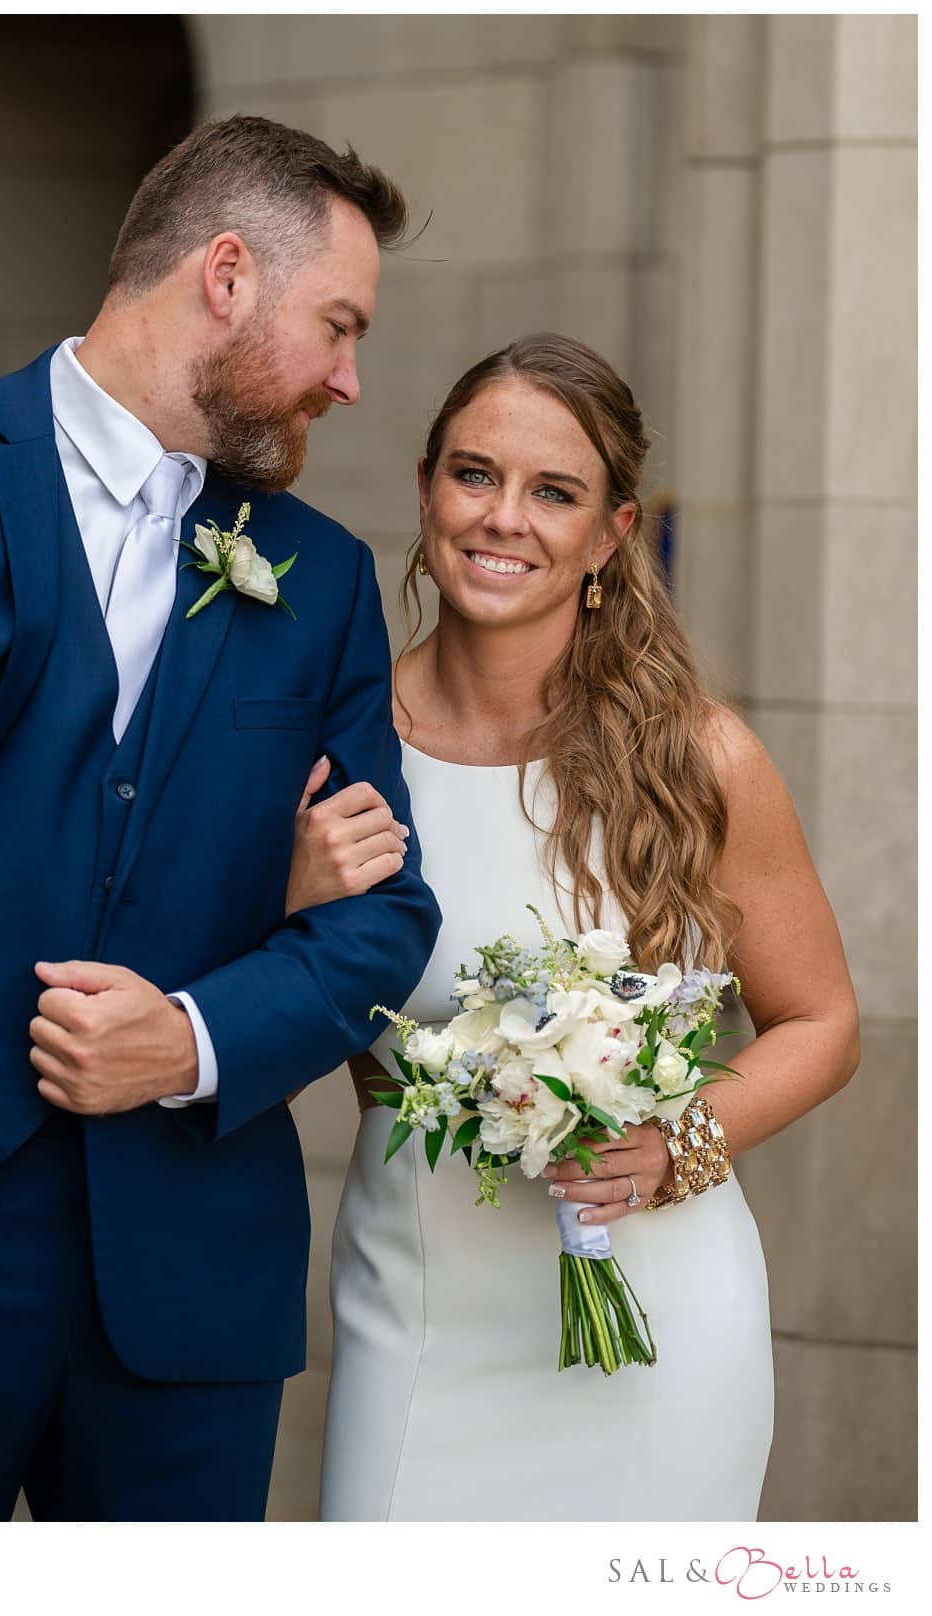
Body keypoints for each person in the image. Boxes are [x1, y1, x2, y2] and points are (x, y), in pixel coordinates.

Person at [0, 115, 442, 1521]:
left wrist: (192, 1041)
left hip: (197, 1269)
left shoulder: (319, 576)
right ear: (225, 277)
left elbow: (389, 909)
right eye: (336, 325)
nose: (348, 378)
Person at [314, 333, 860, 1519]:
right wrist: (296, 897)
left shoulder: (696, 758)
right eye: (473, 474)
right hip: (416, 1303)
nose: (501, 517)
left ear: (610, 531)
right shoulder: (335, 750)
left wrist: (681, 1140)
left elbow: (821, 1020)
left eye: (551, 491)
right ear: (423, 488)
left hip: (658, 1323)